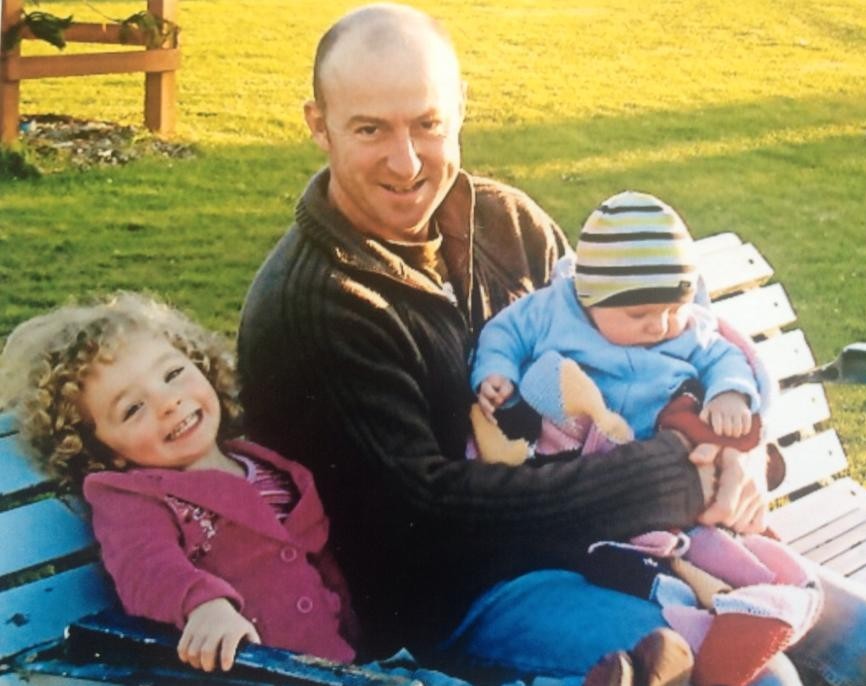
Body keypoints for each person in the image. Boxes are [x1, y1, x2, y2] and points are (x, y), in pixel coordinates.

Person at [237, 4, 866, 685]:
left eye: (427, 124)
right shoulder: (317, 309)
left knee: (852, 628)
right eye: (370, 129)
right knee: (758, 678)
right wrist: (673, 479)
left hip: (618, 543)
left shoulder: (507, 223)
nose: (407, 160)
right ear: (318, 126)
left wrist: (736, 455)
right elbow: (428, 519)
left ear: (459, 112)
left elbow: (641, 355)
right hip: (462, 596)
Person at [469, 190, 822, 686]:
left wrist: (731, 398)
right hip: (589, 478)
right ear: (590, 300)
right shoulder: (551, 313)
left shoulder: (685, 329)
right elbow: (504, 335)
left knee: (735, 559)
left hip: (670, 482)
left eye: (671, 309)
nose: (659, 325)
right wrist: (496, 372)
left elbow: (723, 357)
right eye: (639, 316)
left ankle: (758, 604)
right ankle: (715, 619)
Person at [0, 293, 357, 674]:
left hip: (340, 667)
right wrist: (201, 605)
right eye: (133, 409)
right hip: (248, 675)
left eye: (172, 374)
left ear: (200, 363)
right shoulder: (134, 496)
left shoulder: (264, 465)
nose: (168, 402)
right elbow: (145, 566)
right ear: (102, 450)